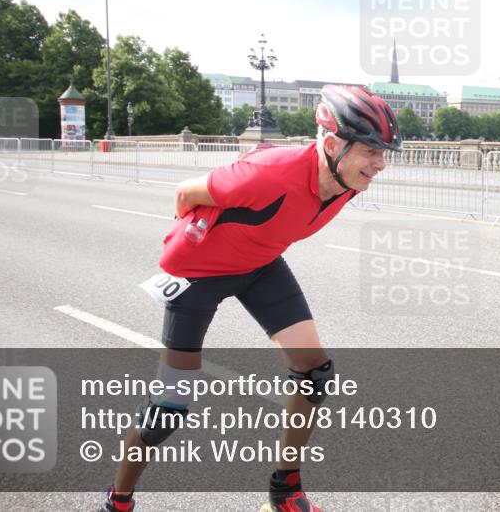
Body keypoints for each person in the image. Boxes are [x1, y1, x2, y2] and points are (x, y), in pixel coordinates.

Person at [98, 85, 402, 512]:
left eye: (385, 152)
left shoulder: (347, 181)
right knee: (169, 408)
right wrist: (194, 242)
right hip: (199, 273)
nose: (380, 164)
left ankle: (285, 493)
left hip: (259, 267)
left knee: (315, 373)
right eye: (372, 150)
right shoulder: (269, 173)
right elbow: (186, 194)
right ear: (332, 144)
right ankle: (118, 501)